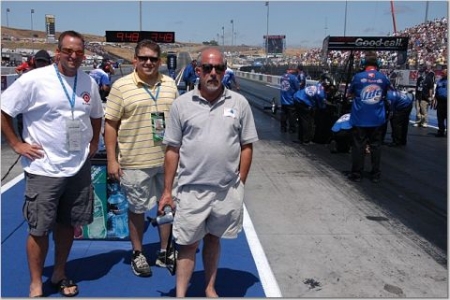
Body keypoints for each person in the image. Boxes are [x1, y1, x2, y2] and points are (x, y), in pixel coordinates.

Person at [1, 30, 103, 297]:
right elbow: (4, 110)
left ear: (84, 54)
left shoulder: (88, 82)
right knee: (39, 228)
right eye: (68, 51)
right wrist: (16, 144)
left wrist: (92, 144)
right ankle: (36, 283)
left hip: (77, 166)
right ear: (58, 52)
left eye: (78, 52)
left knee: (68, 224)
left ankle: (59, 272)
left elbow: (96, 115)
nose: (73, 56)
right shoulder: (34, 79)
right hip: (44, 168)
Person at [158, 47, 259, 297]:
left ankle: (209, 287)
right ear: (198, 70)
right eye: (208, 68)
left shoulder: (240, 103)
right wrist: (167, 191)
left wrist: (241, 182)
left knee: (214, 239)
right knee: (187, 244)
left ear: (225, 71)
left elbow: (247, 145)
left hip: (225, 191)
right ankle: (181, 293)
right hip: (191, 190)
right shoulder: (182, 105)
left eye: (219, 69)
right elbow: (172, 150)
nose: (213, 73)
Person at [104, 39, 179, 277]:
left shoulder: (169, 85)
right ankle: (137, 253)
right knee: (136, 210)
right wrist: (111, 160)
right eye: (144, 58)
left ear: (160, 61)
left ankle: (164, 251)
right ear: (135, 59)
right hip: (135, 160)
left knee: (166, 206)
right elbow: (111, 125)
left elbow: (179, 121)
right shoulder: (121, 86)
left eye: (153, 59)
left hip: (167, 159)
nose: (148, 62)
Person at [346, 51, 391, 183]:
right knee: (376, 146)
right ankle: (375, 174)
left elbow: (350, 94)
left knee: (358, 146)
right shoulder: (383, 78)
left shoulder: (358, 77)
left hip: (360, 118)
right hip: (377, 118)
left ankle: (357, 174)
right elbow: (386, 93)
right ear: (377, 64)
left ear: (363, 64)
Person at [293, 73, 335, 144]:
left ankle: (302, 138)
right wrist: (331, 105)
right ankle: (305, 140)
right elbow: (322, 106)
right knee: (307, 120)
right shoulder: (321, 94)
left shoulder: (319, 85)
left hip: (297, 97)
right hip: (301, 101)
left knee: (304, 119)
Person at [414, 62, 435, 128]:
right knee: (418, 110)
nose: (420, 73)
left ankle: (424, 122)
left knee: (424, 110)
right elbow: (417, 87)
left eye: (421, 72)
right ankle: (418, 121)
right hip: (418, 96)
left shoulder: (429, 78)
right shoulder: (419, 79)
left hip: (425, 96)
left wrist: (430, 97)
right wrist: (416, 95)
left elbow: (431, 88)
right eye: (420, 72)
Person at [279, 68, 300, 133]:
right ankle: (292, 129)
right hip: (290, 100)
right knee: (292, 115)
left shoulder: (282, 77)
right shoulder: (293, 78)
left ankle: (283, 127)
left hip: (283, 99)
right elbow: (297, 88)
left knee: (284, 114)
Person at [433, 69, 447, 137]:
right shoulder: (439, 81)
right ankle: (441, 131)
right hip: (440, 102)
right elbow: (436, 91)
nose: (442, 74)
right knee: (440, 117)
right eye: (442, 73)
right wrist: (435, 99)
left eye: (444, 73)